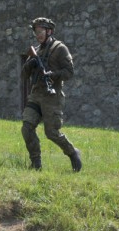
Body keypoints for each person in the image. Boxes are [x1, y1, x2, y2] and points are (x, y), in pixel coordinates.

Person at [20, 17, 81, 172]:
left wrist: (52, 75)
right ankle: (36, 163)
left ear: (49, 31)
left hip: (52, 96)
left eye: (40, 31)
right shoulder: (36, 50)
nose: (38, 35)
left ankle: (72, 153)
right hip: (36, 95)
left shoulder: (60, 48)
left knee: (52, 133)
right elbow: (23, 75)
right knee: (27, 128)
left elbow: (69, 72)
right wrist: (30, 64)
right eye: (36, 32)